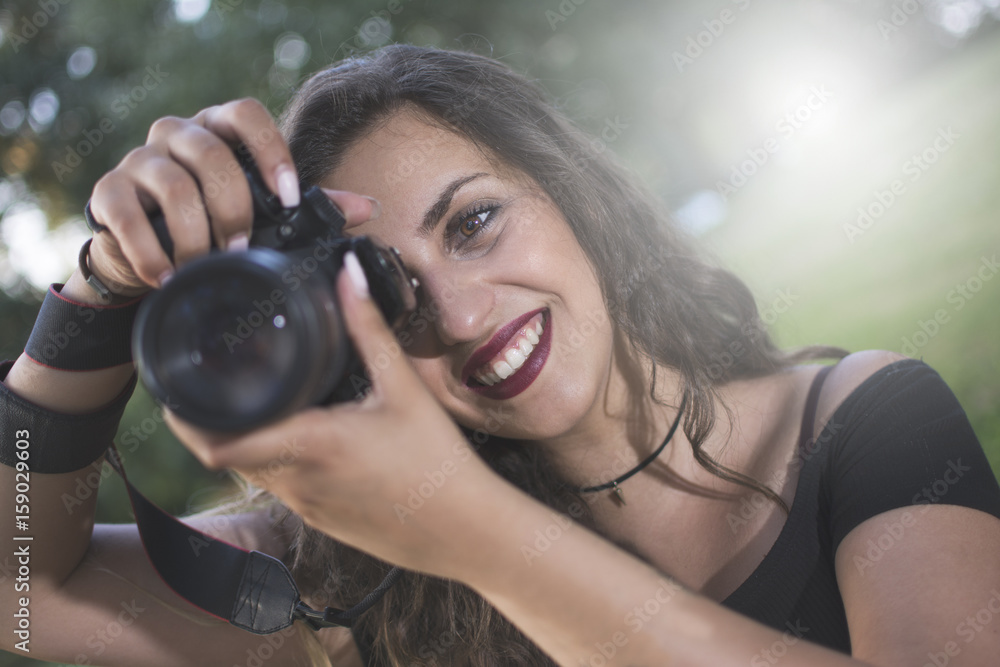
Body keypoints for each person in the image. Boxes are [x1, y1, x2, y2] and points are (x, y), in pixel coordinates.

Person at [3, 44, 1000, 667]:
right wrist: (102, 288)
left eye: (475, 221)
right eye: (385, 291)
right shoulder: (355, 569)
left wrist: (474, 533)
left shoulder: (856, 417)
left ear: (571, 192)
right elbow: (18, 586)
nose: (462, 312)